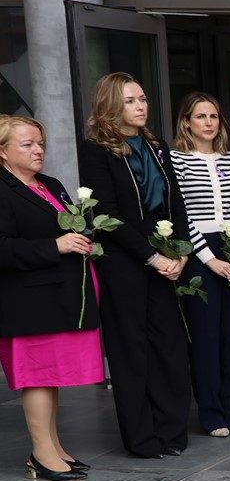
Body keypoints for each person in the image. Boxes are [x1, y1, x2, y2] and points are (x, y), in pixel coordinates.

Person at [77, 73, 192, 458]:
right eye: (130, 100)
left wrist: (181, 252)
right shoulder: (96, 149)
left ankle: (172, 432)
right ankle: (142, 439)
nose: (141, 106)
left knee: (169, 345)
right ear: (111, 106)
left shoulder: (156, 147)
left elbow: (175, 201)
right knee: (132, 350)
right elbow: (104, 213)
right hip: (125, 261)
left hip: (165, 254)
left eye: (142, 98)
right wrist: (152, 256)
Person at [0, 116, 99, 480]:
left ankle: (53, 446)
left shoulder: (50, 184)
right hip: (25, 301)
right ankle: (41, 454)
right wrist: (54, 246)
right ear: (2, 152)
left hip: (55, 296)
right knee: (38, 377)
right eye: (27, 144)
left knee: (51, 376)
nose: (38, 149)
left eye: (40, 142)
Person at [171, 93, 230, 438]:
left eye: (214, 117)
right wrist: (210, 260)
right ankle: (211, 412)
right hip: (199, 254)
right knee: (205, 337)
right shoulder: (176, 160)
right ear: (186, 121)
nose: (208, 123)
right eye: (200, 116)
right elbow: (184, 216)